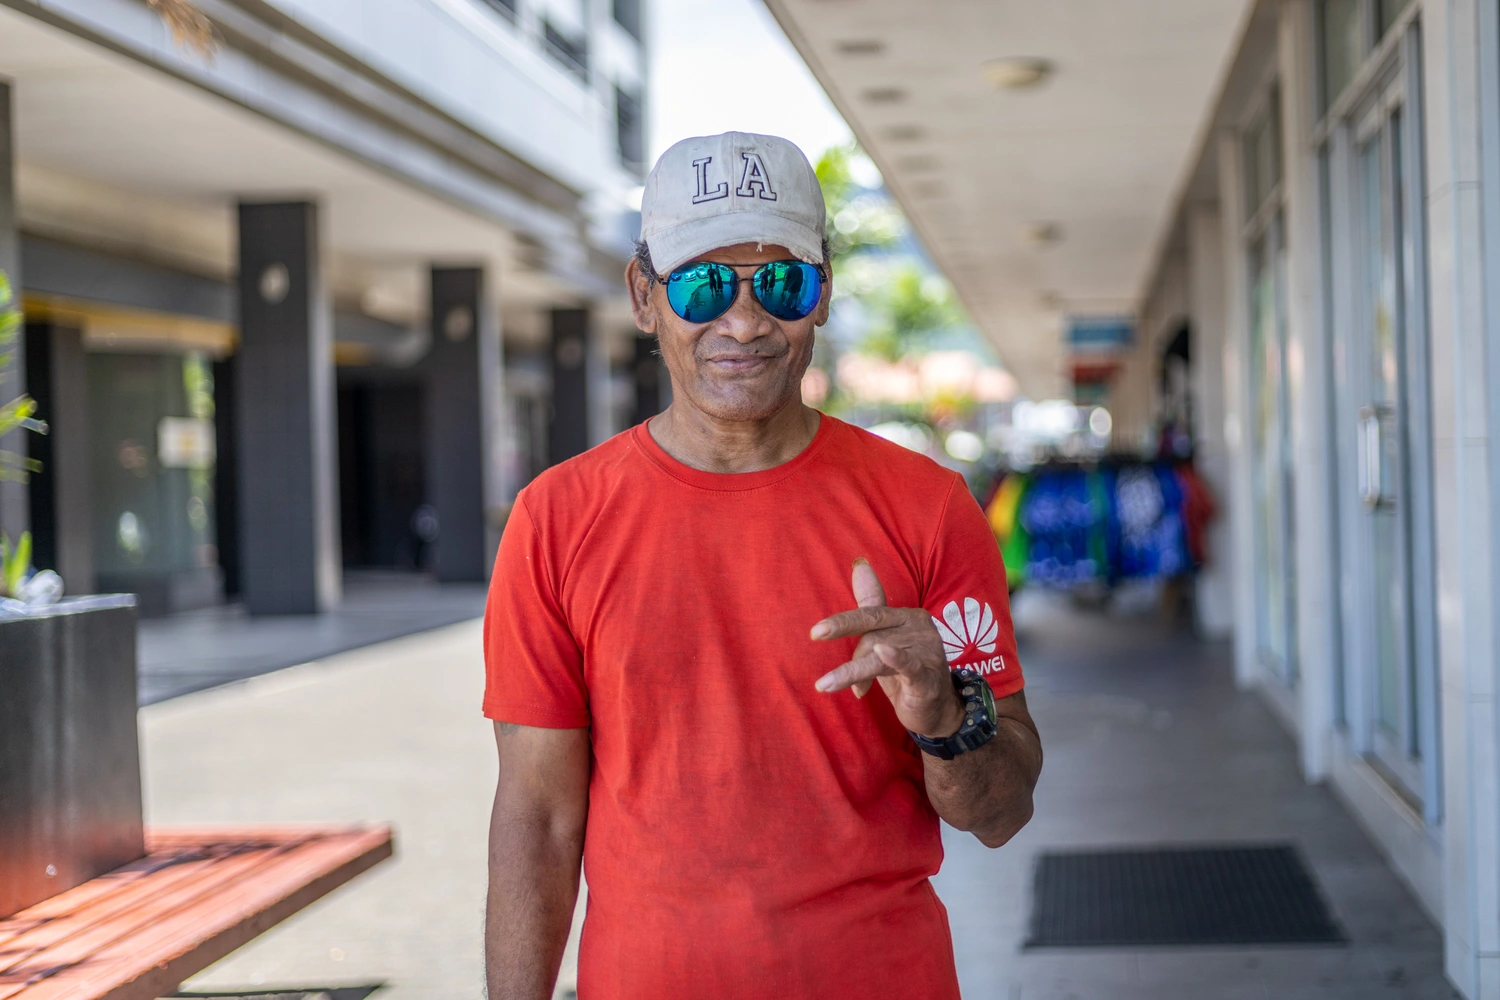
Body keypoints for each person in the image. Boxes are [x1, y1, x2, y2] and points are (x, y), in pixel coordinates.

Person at [483, 131, 1042, 999]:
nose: (743, 322)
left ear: (823, 294)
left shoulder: (929, 508)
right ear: (644, 297)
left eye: (781, 283)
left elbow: (1002, 813)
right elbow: (538, 818)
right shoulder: (556, 521)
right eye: (703, 285)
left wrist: (943, 714)